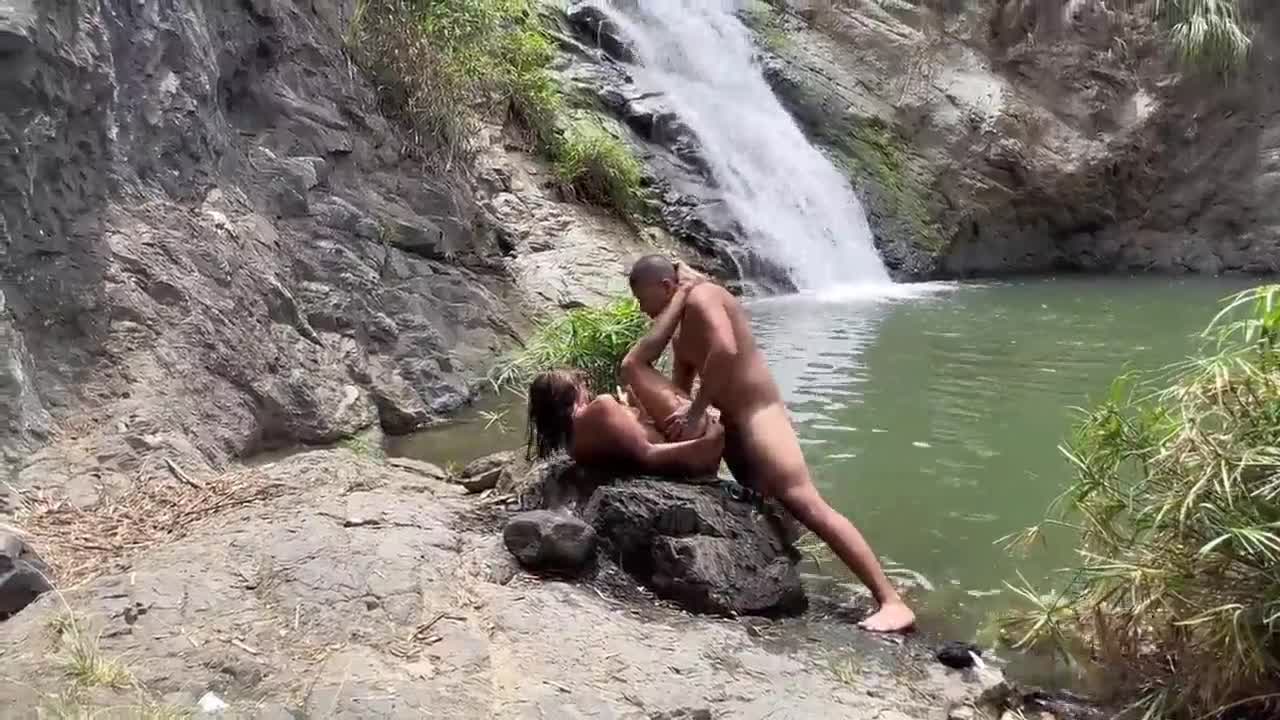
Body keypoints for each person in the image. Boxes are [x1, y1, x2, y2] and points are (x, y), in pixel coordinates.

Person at [627, 255, 916, 633]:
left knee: (806, 503)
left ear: (666, 286)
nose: (641, 308)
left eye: (641, 298)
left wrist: (697, 411)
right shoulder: (680, 329)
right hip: (734, 423)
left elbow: (726, 349)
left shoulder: (703, 297)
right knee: (769, 505)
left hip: (760, 418)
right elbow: (681, 386)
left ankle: (891, 601)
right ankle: (798, 578)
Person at [527, 281, 723, 477]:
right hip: (694, 445)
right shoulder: (599, 408)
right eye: (582, 386)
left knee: (677, 349)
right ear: (573, 392)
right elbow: (647, 455)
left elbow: (632, 449)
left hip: (683, 444)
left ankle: (682, 307)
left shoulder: (574, 447)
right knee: (632, 364)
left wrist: (633, 408)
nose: (587, 391)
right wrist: (708, 442)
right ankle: (682, 293)